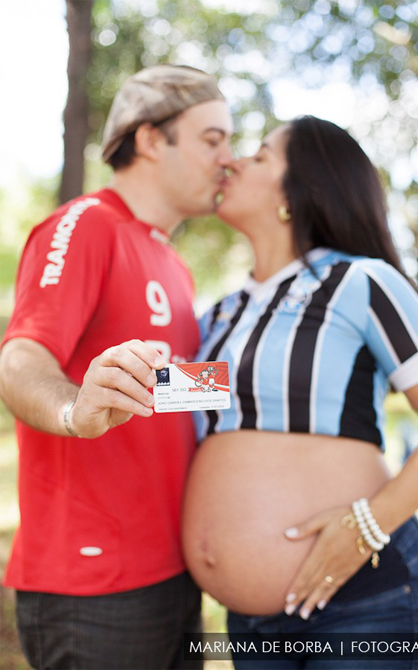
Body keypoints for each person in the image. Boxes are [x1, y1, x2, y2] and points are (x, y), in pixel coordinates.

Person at [179, 116, 418, 668]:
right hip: (252, 630)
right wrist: (135, 377)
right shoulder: (219, 317)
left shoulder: (360, 284)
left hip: (363, 607)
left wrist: (368, 526)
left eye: (258, 156)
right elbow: (214, 406)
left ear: (297, 193)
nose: (232, 161)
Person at [0, 65, 233, 668]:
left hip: (172, 577)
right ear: (152, 139)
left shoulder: (172, 263)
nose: (229, 160)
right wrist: (73, 409)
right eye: (213, 139)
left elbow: (163, 396)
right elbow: (21, 357)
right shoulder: (84, 225)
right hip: (92, 590)